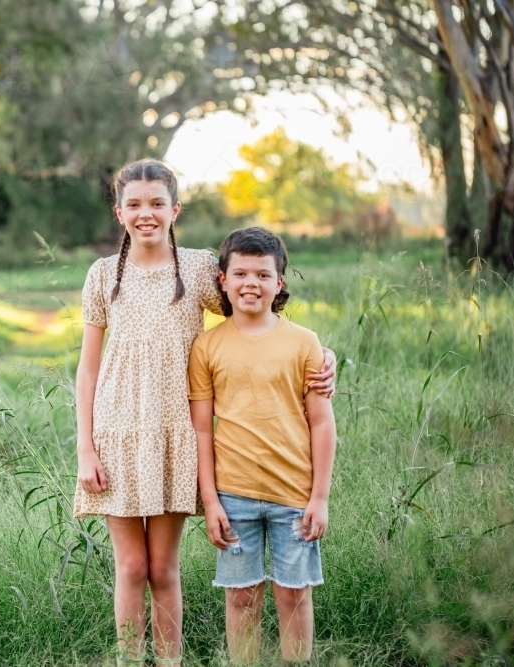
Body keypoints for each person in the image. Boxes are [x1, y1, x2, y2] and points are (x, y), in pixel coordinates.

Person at [74, 161, 336, 666]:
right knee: (130, 567)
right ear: (119, 212)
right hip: (118, 434)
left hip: (176, 433)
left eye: (156, 204)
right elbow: (87, 370)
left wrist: (321, 359)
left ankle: (169, 662)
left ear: (175, 210)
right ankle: (131, 661)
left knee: (162, 567)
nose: (145, 214)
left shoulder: (195, 268)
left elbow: (253, 308)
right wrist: (86, 447)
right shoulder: (103, 275)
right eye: (134, 204)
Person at [188, 227, 337, 664]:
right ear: (223, 280)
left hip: (294, 494)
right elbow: (202, 430)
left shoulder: (304, 342)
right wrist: (210, 501)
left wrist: (320, 498)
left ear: (280, 283)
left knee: (294, 596)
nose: (250, 283)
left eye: (262, 274)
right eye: (240, 273)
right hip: (233, 495)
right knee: (241, 601)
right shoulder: (207, 346)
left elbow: (323, 423)